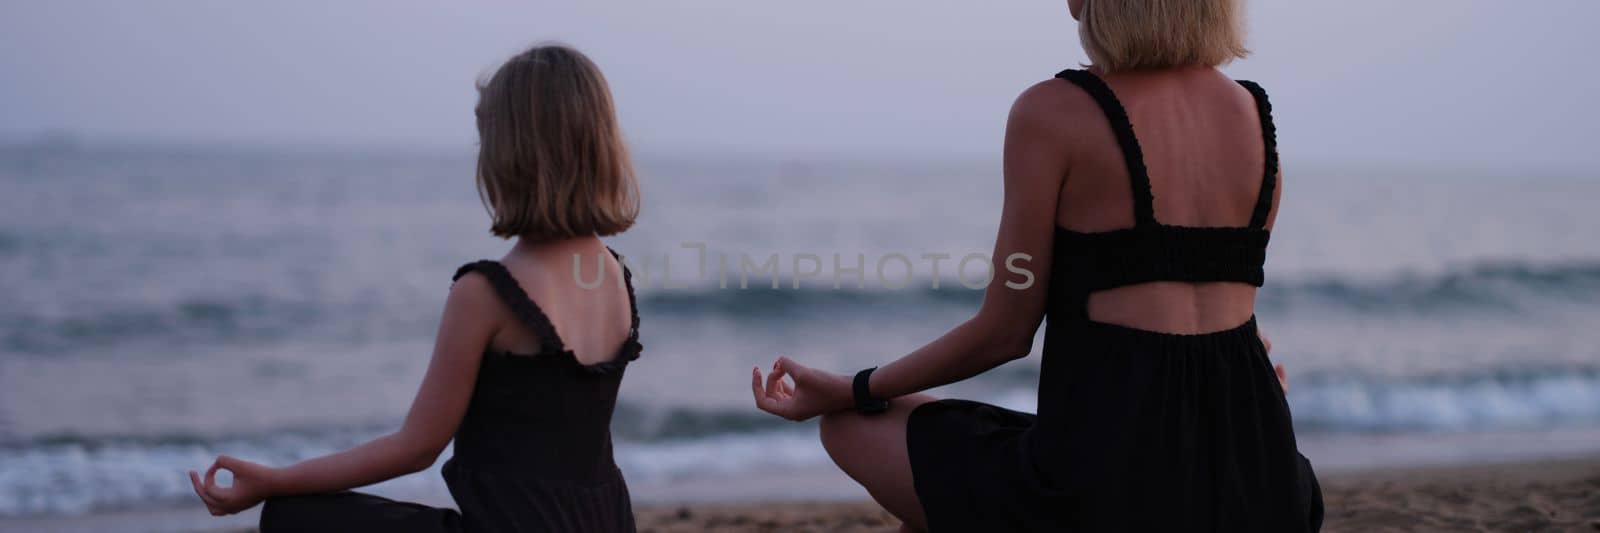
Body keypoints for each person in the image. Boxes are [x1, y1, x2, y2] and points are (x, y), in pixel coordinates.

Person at [750, 0, 1324, 530]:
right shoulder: (1254, 116)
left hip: (1106, 489)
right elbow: (1211, 308)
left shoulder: (1053, 113)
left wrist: (850, 388)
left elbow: (1003, 332)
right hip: (1265, 481)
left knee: (853, 425)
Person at [188, 43, 645, 533]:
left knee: (295, 516)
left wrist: (273, 481)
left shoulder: (487, 292)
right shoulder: (611, 273)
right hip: (607, 523)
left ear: (513, 155)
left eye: (486, 139)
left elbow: (417, 448)